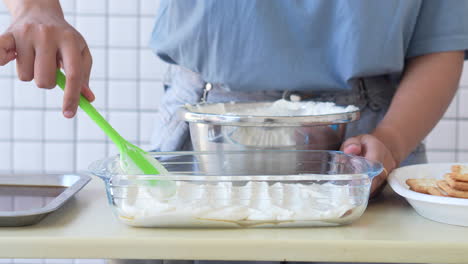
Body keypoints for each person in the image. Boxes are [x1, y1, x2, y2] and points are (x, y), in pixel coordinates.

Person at [0, 1, 467, 264]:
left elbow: (442, 41)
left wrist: (392, 139)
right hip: (197, 144)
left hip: (368, 157)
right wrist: (36, 7)